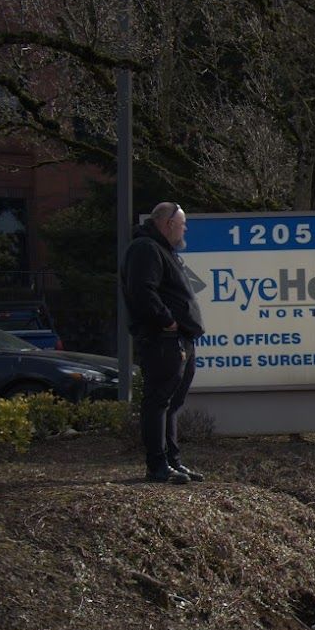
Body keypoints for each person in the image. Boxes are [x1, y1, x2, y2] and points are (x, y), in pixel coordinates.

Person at [123, 201, 205, 484]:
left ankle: (173, 462)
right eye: (183, 224)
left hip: (180, 339)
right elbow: (142, 292)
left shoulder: (164, 250)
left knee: (172, 403)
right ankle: (157, 466)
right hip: (163, 340)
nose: (186, 229)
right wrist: (168, 322)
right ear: (168, 223)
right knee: (158, 401)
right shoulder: (145, 248)